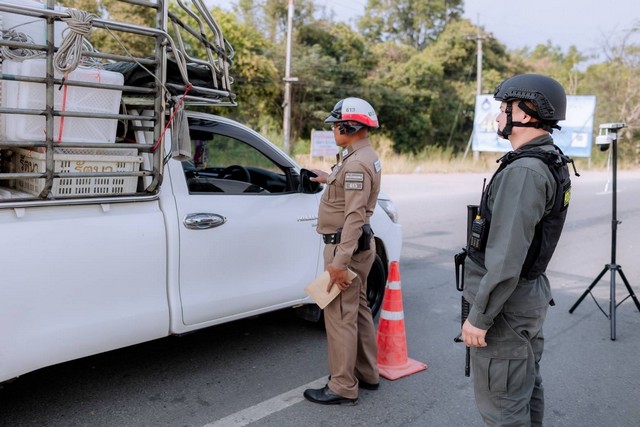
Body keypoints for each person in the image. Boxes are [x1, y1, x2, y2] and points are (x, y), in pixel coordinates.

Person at [461, 74, 574, 426]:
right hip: (524, 298)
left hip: (506, 308)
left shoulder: (525, 170)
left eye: (504, 108)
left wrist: (480, 317)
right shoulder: (548, 158)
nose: (498, 116)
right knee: (523, 389)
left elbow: (507, 256)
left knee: (503, 407)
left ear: (525, 113)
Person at [303, 97, 382, 405]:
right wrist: (329, 179)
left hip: (345, 247)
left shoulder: (357, 163)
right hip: (356, 246)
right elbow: (350, 193)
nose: (334, 129)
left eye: (337, 125)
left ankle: (342, 386)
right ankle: (367, 373)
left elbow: (354, 215)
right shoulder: (360, 156)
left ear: (350, 126)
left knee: (338, 315)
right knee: (358, 310)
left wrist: (339, 262)